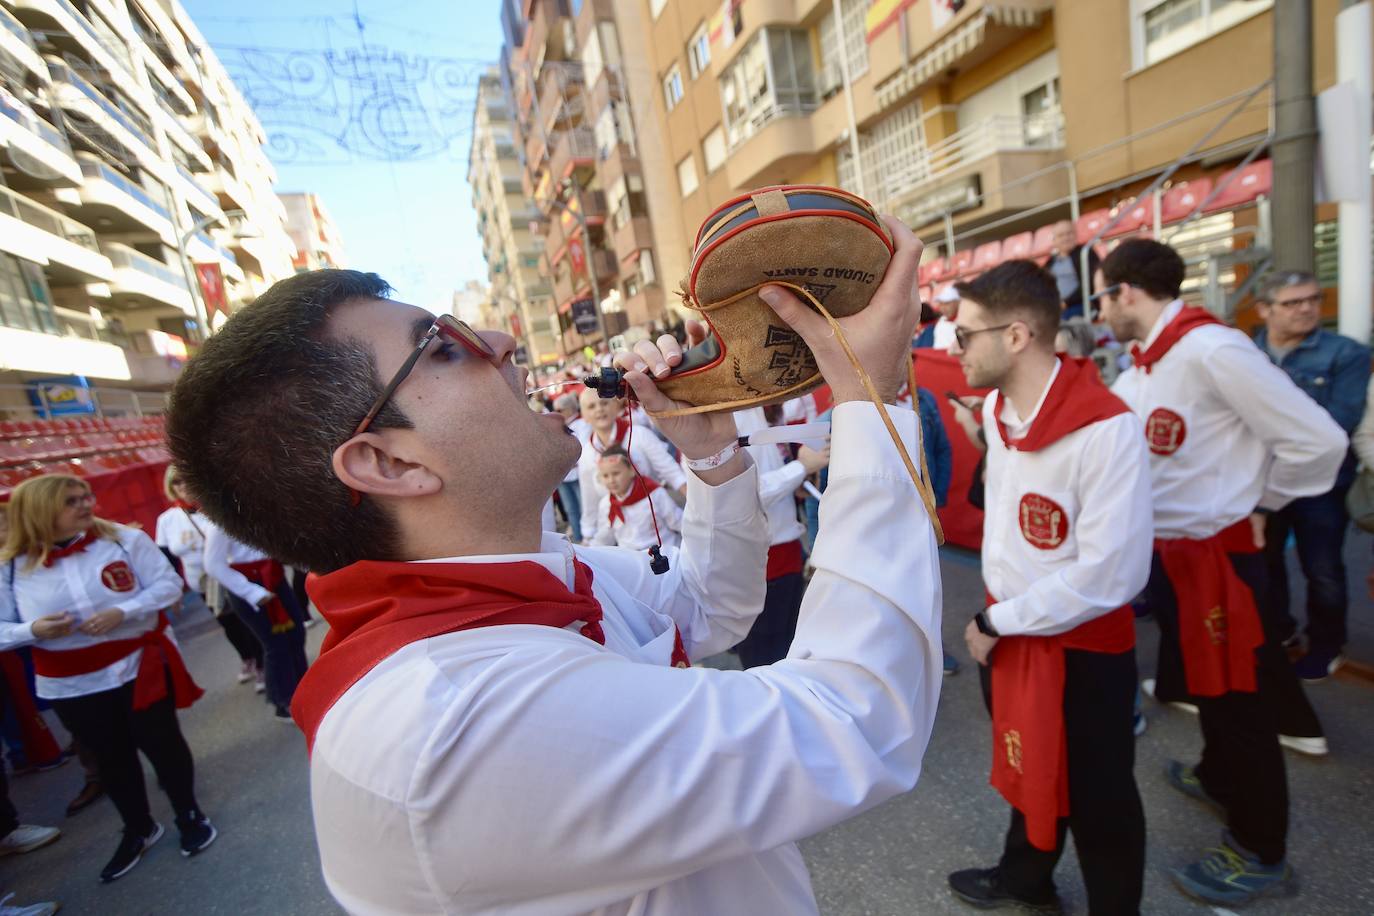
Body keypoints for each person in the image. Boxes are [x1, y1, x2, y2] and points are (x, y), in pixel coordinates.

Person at [165, 241, 942, 913]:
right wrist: (870, 397)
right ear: (388, 462)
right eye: (442, 348)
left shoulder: (519, 588)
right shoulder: (451, 724)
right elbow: (857, 719)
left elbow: (712, 605)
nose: (499, 339)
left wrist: (709, 455)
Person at [1099, 239, 1346, 905]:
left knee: (1239, 700)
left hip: (1218, 558)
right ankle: (1219, 774)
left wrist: (1265, 504)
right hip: (1174, 554)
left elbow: (1319, 440)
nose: (1101, 309)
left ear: (1125, 291)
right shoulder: (1146, 363)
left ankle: (1260, 849)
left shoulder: (1213, 349)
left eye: (1102, 294)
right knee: (1211, 688)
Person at [944, 260, 1150, 914]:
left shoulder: (1106, 427)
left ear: (1015, 337)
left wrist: (999, 622)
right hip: (1009, 627)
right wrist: (998, 620)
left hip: (1081, 649)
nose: (954, 352)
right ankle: (1026, 878)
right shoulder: (1002, 408)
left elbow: (1112, 575)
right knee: (1028, 764)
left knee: (1100, 799)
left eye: (965, 335)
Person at [0, 475, 215, 883]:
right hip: (72, 684)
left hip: (136, 664)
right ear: (41, 511)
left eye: (87, 496)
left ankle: (188, 811)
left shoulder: (123, 540)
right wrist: (33, 631)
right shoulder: (10, 567)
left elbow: (168, 585)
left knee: (163, 744)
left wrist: (126, 610)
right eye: (71, 501)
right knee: (111, 758)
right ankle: (139, 827)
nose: (86, 504)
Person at [1251, 270, 1370, 680]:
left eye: (1313, 299)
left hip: (1321, 483)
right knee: (1265, 564)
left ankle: (1326, 644)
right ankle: (1280, 634)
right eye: (1293, 301)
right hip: (1263, 482)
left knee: (1322, 569)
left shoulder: (1346, 354)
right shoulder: (1246, 354)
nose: (1306, 308)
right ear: (1265, 309)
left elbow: (1338, 423)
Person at [730, 405, 829, 669]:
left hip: (788, 552)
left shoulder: (770, 409)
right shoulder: (726, 419)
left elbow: (777, 465)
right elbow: (741, 495)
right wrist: (800, 467)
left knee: (789, 651)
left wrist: (802, 479)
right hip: (756, 563)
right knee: (762, 661)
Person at [155, 467, 263, 686]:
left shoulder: (219, 509)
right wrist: (173, 591)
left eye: (187, 479)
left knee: (249, 621)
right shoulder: (167, 520)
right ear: (171, 488)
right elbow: (167, 560)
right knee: (228, 623)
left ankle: (262, 664)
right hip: (204, 584)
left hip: (235, 576)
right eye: (177, 482)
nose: (183, 486)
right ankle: (247, 658)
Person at [202, 519, 309, 723]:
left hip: (274, 577)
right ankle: (283, 701)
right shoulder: (220, 522)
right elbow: (213, 565)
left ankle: (305, 689)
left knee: (296, 635)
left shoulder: (259, 507)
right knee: (276, 645)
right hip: (248, 584)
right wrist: (251, 591)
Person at [576, 386, 685, 544]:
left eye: (604, 403)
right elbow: (589, 499)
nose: (599, 409)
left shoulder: (639, 434)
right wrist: (588, 536)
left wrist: (699, 507)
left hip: (657, 531)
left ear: (616, 406)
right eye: (591, 406)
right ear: (584, 416)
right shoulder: (586, 453)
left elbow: (671, 472)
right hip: (624, 539)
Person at [590, 446, 683, 550]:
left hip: (664, 552)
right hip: (631, 559)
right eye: (605, 476)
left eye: (616, 473)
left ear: (631, 470)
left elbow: (677, 521)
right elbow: (605, 537)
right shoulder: (606, 504)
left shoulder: (654, 493)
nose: (611, 480)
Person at [1043, 220, 1101, 320]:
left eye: (1069, 233)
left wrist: (1066, 302)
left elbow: (1090, 283)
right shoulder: (1050, 262)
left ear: (1075, 235)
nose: (1066, 238)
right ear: (1054, 240)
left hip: (1080, 305)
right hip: (1055, 307)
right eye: (1061, 235)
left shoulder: (1086, 253)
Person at [552, 392, 587, 541]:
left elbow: (584, 448)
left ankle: (587, 538)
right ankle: (578, 539)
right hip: (563, 476)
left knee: (584, 508)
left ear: (569, 409)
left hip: (577, 473)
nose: (557, 414)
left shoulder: (582, 424)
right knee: (570, 510)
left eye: (559, 410)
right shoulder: (560, 426)